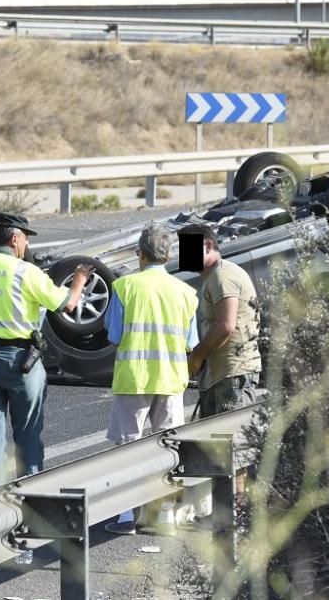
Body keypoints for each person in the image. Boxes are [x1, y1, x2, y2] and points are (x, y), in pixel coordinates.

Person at [0, 211, 92, 492]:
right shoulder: (26, 272)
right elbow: (67, 305)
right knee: (27, 432)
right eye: (25, 239)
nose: (26, 246)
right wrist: (79, 282)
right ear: (15, 239)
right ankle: (31, 493)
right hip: (21, 362)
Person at [103, 222, 199, 535]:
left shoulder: (124, 287)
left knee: (128, 446)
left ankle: (127, 516)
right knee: (168, 447)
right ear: (168, 255)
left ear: (140, 255)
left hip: (134, 378)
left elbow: (114, 334)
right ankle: (166, 516)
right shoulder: (187, 293)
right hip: (171, 379)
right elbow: (190, 342)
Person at [179, 222, 260, 501]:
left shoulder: (223, 276)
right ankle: (225, 513)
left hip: (233, 374)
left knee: (232, 447)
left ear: (209, 246)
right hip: (221, 373)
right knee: (219, 448)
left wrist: (197, 357)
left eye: (188, 249)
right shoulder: (214, 277)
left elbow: (225, 326)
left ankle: (235, 512)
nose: (183, 256)